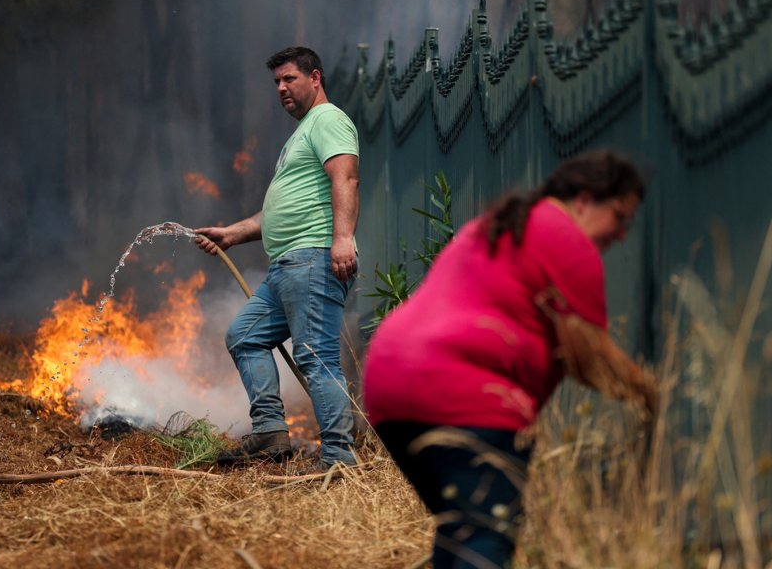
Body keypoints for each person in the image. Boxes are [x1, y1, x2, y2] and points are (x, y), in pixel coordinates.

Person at [362, 150, 657, 568]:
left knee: (463, 532)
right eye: (620, 217)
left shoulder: (494, 225)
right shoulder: (569, 240)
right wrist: (651, 394)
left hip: (389, 384)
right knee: (485, 537)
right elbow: (591, 359)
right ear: (586, 199)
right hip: (466, 395)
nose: (623, 233)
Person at [195, 46, 359, 470]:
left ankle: (339, 459)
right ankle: (270, 433)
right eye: (277, 83)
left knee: (315, 355)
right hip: (287, 266)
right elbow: (277, 211)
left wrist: (343, 238)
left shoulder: (329, 120)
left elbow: (346, 177)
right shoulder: (301, 134)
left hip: (313, 258)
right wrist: (231, 234)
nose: (282, 88)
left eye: (290, 79)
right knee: (244, 336)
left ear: (315, 78)